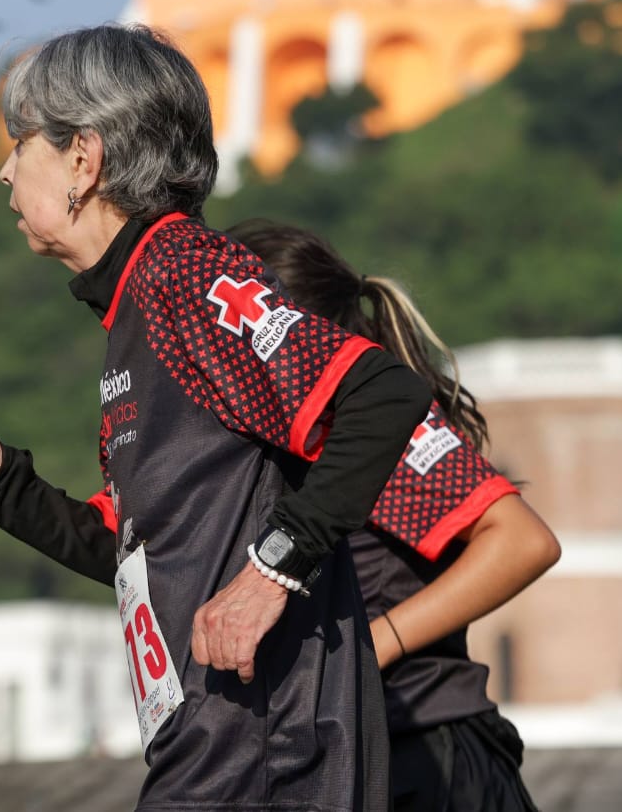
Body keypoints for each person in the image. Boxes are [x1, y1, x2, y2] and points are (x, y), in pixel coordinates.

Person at [0, 24, 432, 811]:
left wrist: (273, 572)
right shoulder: (136, 304)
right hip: (211, 749)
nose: (5, 169)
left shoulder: (184, 272)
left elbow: (383, 396)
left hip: (269, 752)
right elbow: (141, 557)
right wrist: (0, 482)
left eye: (21, 143)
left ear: (84, 158)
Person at [228, 219, 562, 812]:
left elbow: (520, 540)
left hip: (432, 758)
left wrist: (377, 643)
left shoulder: (360, 429)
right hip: (355, 759)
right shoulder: (277, 446)